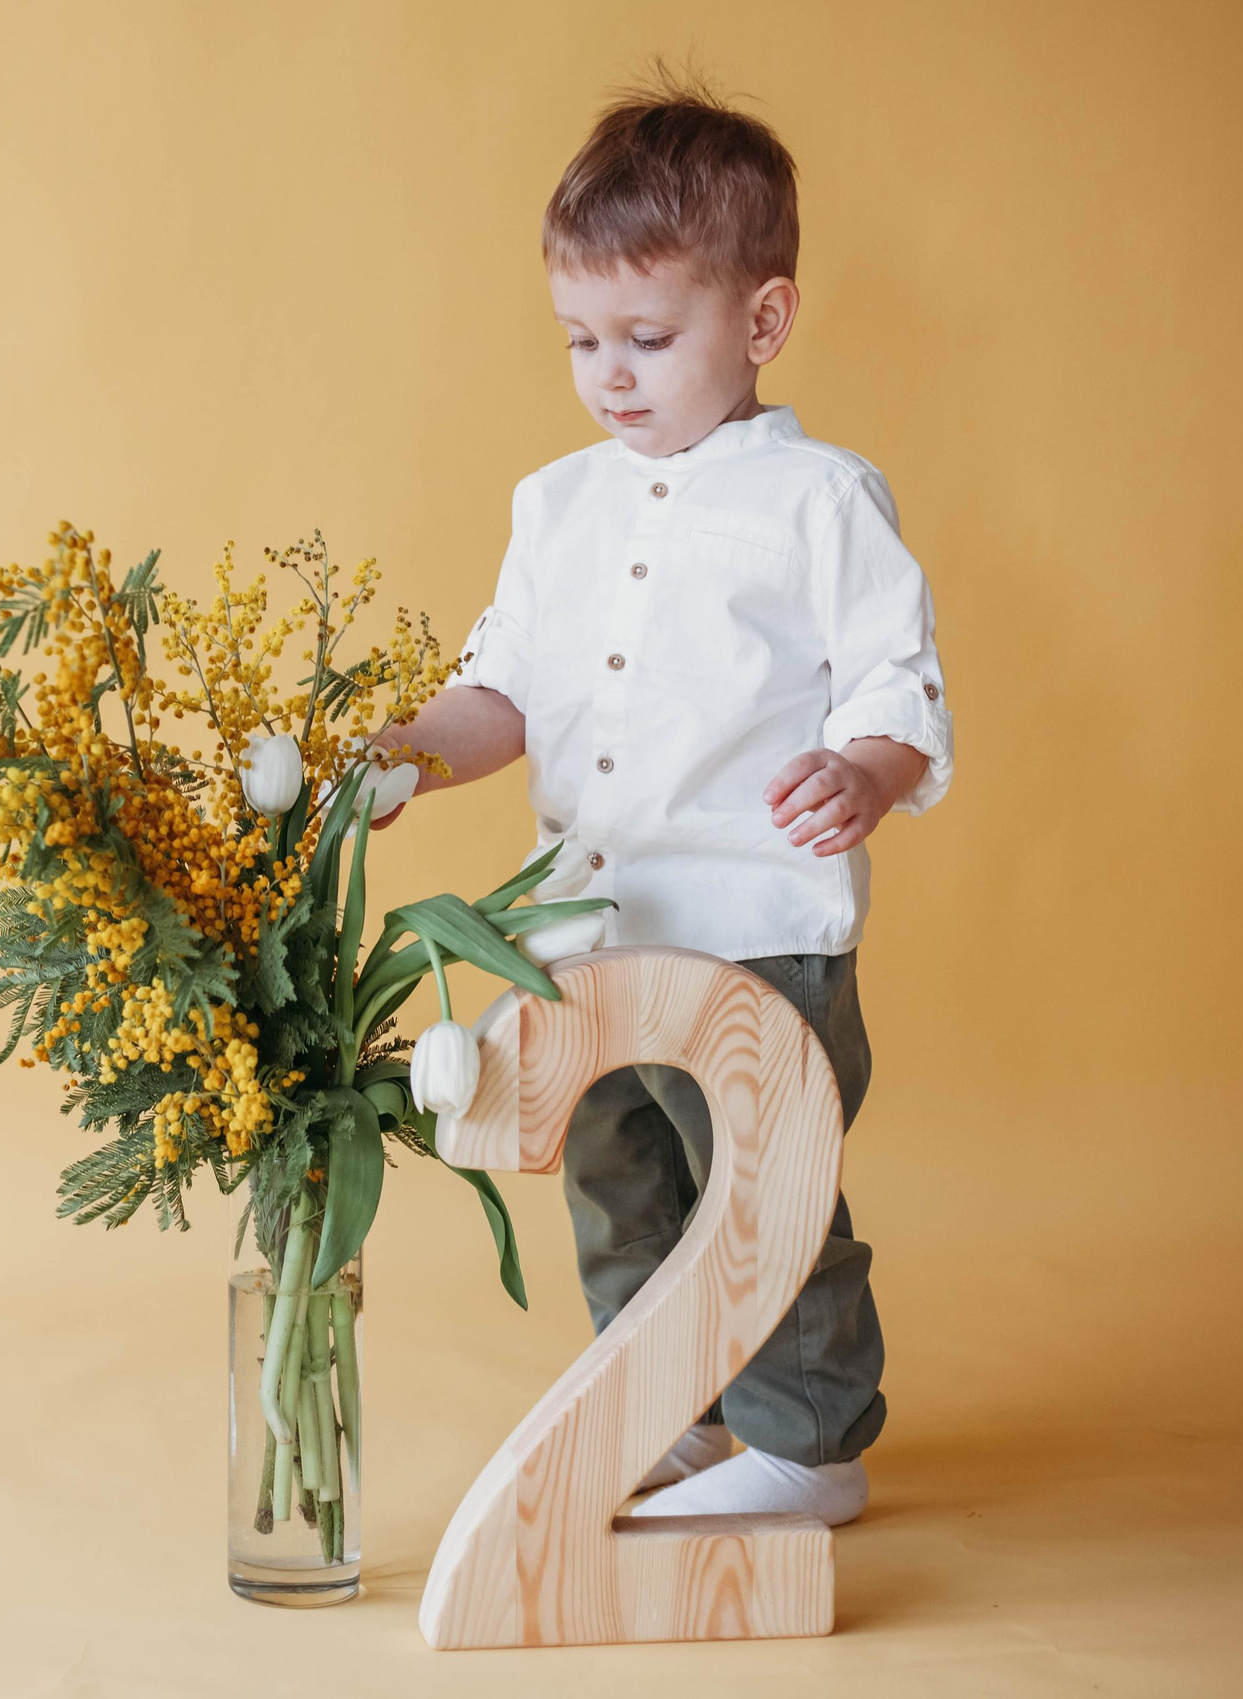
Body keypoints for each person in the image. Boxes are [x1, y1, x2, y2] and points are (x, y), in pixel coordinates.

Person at [371, 76, 953, 1526]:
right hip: (583, 927)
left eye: (648, 337)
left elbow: (897, 685)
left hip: (756, 924)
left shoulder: (819, 499)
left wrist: (862, 771)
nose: (610, 375)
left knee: (762, 1190)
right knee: (620, 1181)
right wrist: (397, 756)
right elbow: (500, 693)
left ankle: (808, 1445)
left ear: (760, 322)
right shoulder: (554, 507)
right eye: (581, 339)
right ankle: (666, 1405)